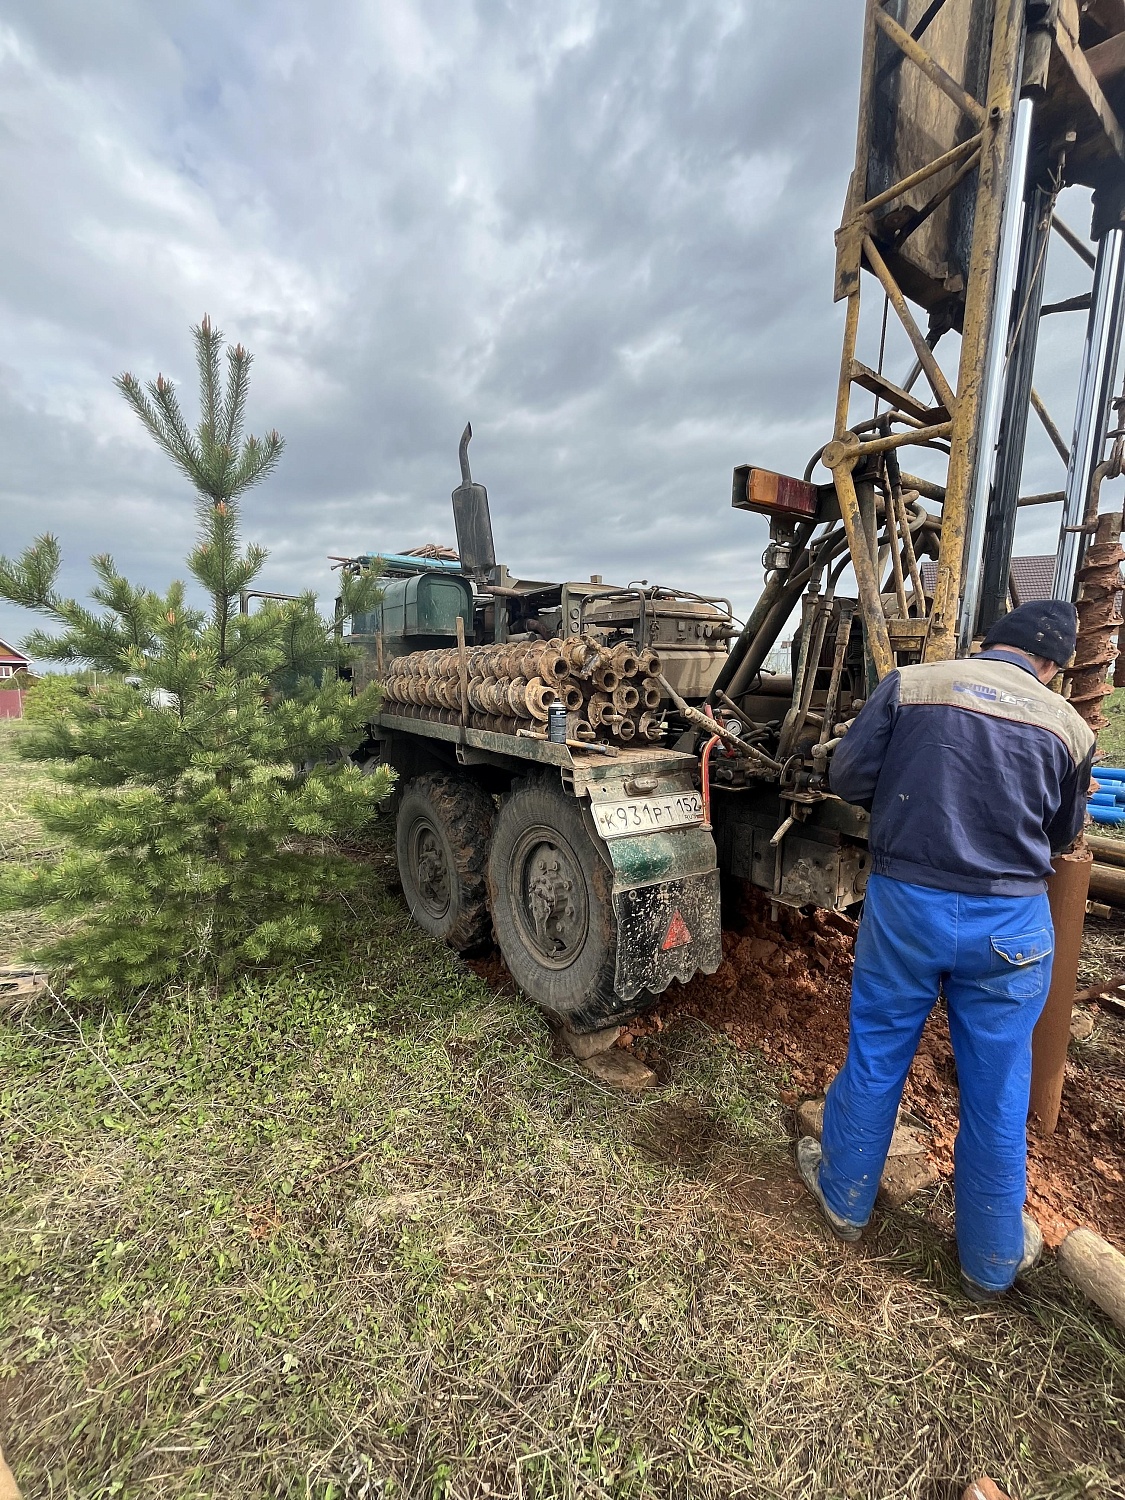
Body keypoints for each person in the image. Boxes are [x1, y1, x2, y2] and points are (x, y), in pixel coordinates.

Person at [796, 599, 1094, 1299]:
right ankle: (989, 1260)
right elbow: (1060, 835)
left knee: (877, 1050)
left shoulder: (911, 684)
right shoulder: (1068, 726)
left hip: (907, 906)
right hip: (1011, 925)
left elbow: (847, 778)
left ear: (989, 640)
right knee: (997, 1087)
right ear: (1050, 664)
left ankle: (842, 1199)